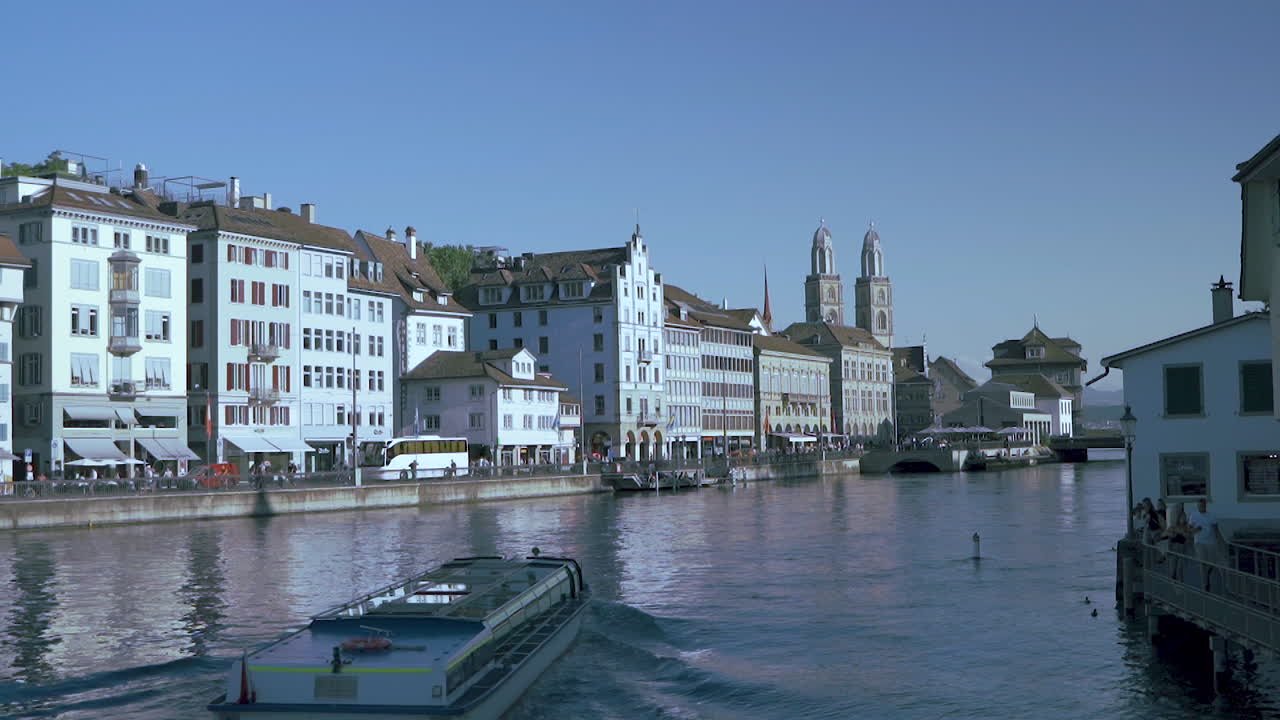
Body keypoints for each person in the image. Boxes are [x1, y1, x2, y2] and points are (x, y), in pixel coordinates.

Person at [1187, 498, 1223, 591]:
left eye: (1202, 505)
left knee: (1212, 563)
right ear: (1197, 506)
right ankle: (1205, 585)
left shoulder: (1211, 516)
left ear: (1205, 506)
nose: (1201, 507)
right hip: (1199, 542)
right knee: (1203, 563)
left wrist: (1220, 541)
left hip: (1211, 542)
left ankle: (1206, 575)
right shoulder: (1193, 516)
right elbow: (1189, 530)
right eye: (1199, 506)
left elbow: (1216, 530)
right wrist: (1195, 530)